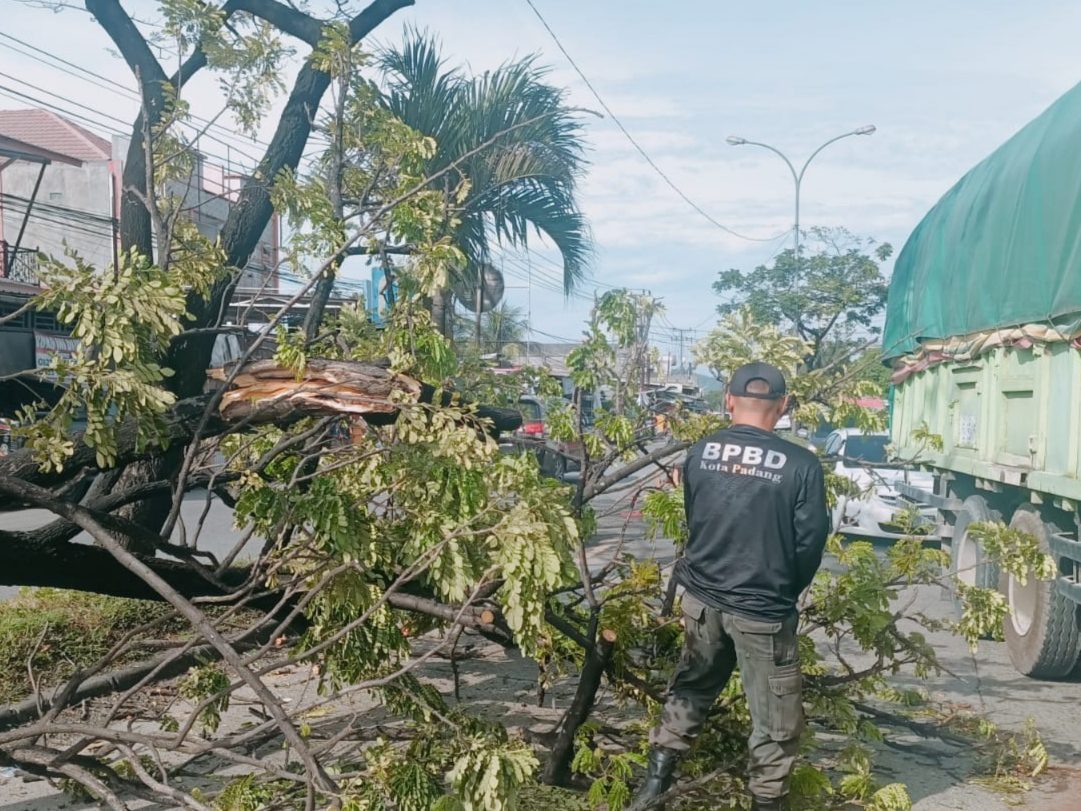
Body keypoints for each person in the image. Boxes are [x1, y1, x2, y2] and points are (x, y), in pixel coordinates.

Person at [628, 362, 830, 811]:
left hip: (702, 602)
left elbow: (695, 518)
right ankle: (764, 802)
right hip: (762, 610)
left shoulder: (700, 451)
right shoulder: (801, 465)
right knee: (775, 721)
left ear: (729, 401)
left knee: (691, 688)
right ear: (782, 406)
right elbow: (810, 542)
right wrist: (782, 591)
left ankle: (654, 789)